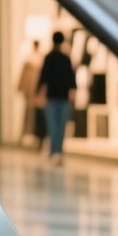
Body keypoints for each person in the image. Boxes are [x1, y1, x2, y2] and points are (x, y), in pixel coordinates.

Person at [36, 31, 76, 165]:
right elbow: (71, 78)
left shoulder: (49, 57)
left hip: (51, 96)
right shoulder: (66, 58)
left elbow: (44, 76)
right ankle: (58, 151)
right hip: (63, 96)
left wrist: (39, 92)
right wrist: (72, 92)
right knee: (61, 126)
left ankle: (54, 152)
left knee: (52, 125)